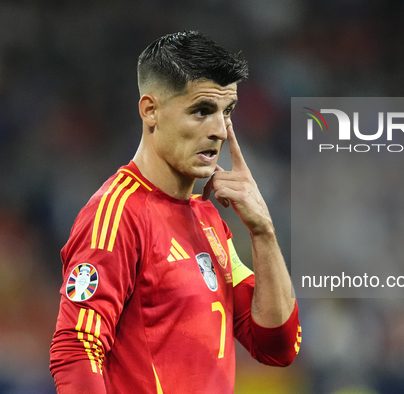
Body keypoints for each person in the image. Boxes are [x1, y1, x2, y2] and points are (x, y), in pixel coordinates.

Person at [49, 31, 301, 393]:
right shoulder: (117, 214)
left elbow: (276, 346)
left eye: (226, 112)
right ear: (150, 110)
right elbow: (76, 348)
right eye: (202, 111)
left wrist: (263, 231)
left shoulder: (209, 220)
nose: (219, 131)